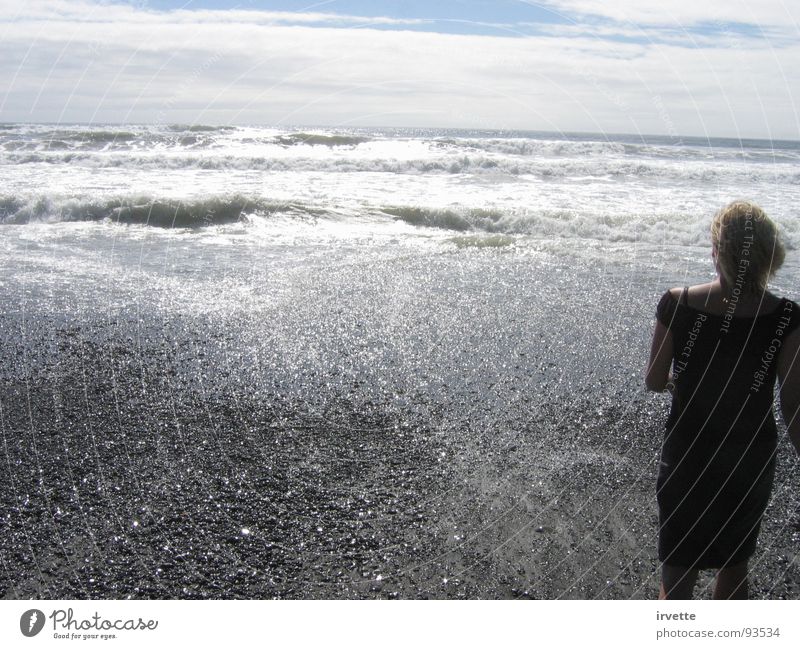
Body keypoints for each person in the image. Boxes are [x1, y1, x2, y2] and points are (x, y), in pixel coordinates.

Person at [645, 200, 800, 599]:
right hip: (747, 459)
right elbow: (791, 403)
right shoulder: (786, 317)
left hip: (688, 453)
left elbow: (654, 380)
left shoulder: (676, 303)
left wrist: (684, 379)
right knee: (734, 570)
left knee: (677, 573)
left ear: (716, 250)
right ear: (768, 254)